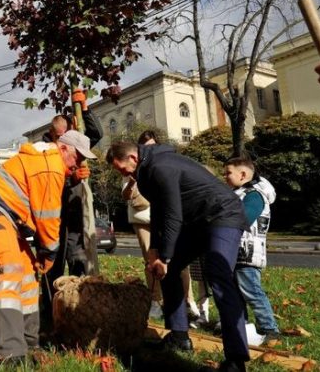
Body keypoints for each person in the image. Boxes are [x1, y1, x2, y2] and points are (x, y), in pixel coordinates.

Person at [106, 141, 250, 372]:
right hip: (198, 221)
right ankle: (179, 335)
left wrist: (166, 255)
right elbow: (160, 213)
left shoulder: (161, 166)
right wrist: (155, 252)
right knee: (170, 272)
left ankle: (236, 360)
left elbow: (173, 214)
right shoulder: (145, 172)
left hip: (222, 214)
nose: (122, 174)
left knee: (218, 276)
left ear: (133, 157)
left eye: (121, 168)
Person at [0, 130, 96, 366]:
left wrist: (43, 254)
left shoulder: (49, 160)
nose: (78, 163)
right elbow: (47, 218)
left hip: (8, 217)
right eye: (77, 157)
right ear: (64, 148)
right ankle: (10, 351)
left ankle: (29, 342)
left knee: (28, 277)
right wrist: (48, 254)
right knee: (11, 272)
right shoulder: (51, 167)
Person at [39, 88, 103, 331]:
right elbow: (48, 184)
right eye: (61, 137)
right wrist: (71, 180)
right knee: (52, 266)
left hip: (75, 215)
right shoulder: (45, 151)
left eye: (69, 134)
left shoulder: (76, 142)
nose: (66, 140)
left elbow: (96, 133)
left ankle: (75, 308)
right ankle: (50, 312)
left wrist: (84, 107)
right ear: (53, 136)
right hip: (52, 219)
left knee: (77, 261)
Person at [123, 130, 200, 320]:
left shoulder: (164, 164)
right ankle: (156, 301)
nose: (149, 151)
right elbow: (126, 195)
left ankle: (187, 301)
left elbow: (170, 198)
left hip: (166, 218)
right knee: (152, 262)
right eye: (146, 147)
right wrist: (133, 183)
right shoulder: (131, 166)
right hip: (142, 219)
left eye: (153, 146)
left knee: (177, 261)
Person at [224, 157, 280, 344]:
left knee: (252, 292)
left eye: (228, 172)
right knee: (237, 293)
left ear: (243, 174)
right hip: (236, 251)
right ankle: (242, 325)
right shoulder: (240, 192)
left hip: (247, 253)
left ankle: (270, 329)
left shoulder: (254, 195)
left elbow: (244, 218)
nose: (225, 176)